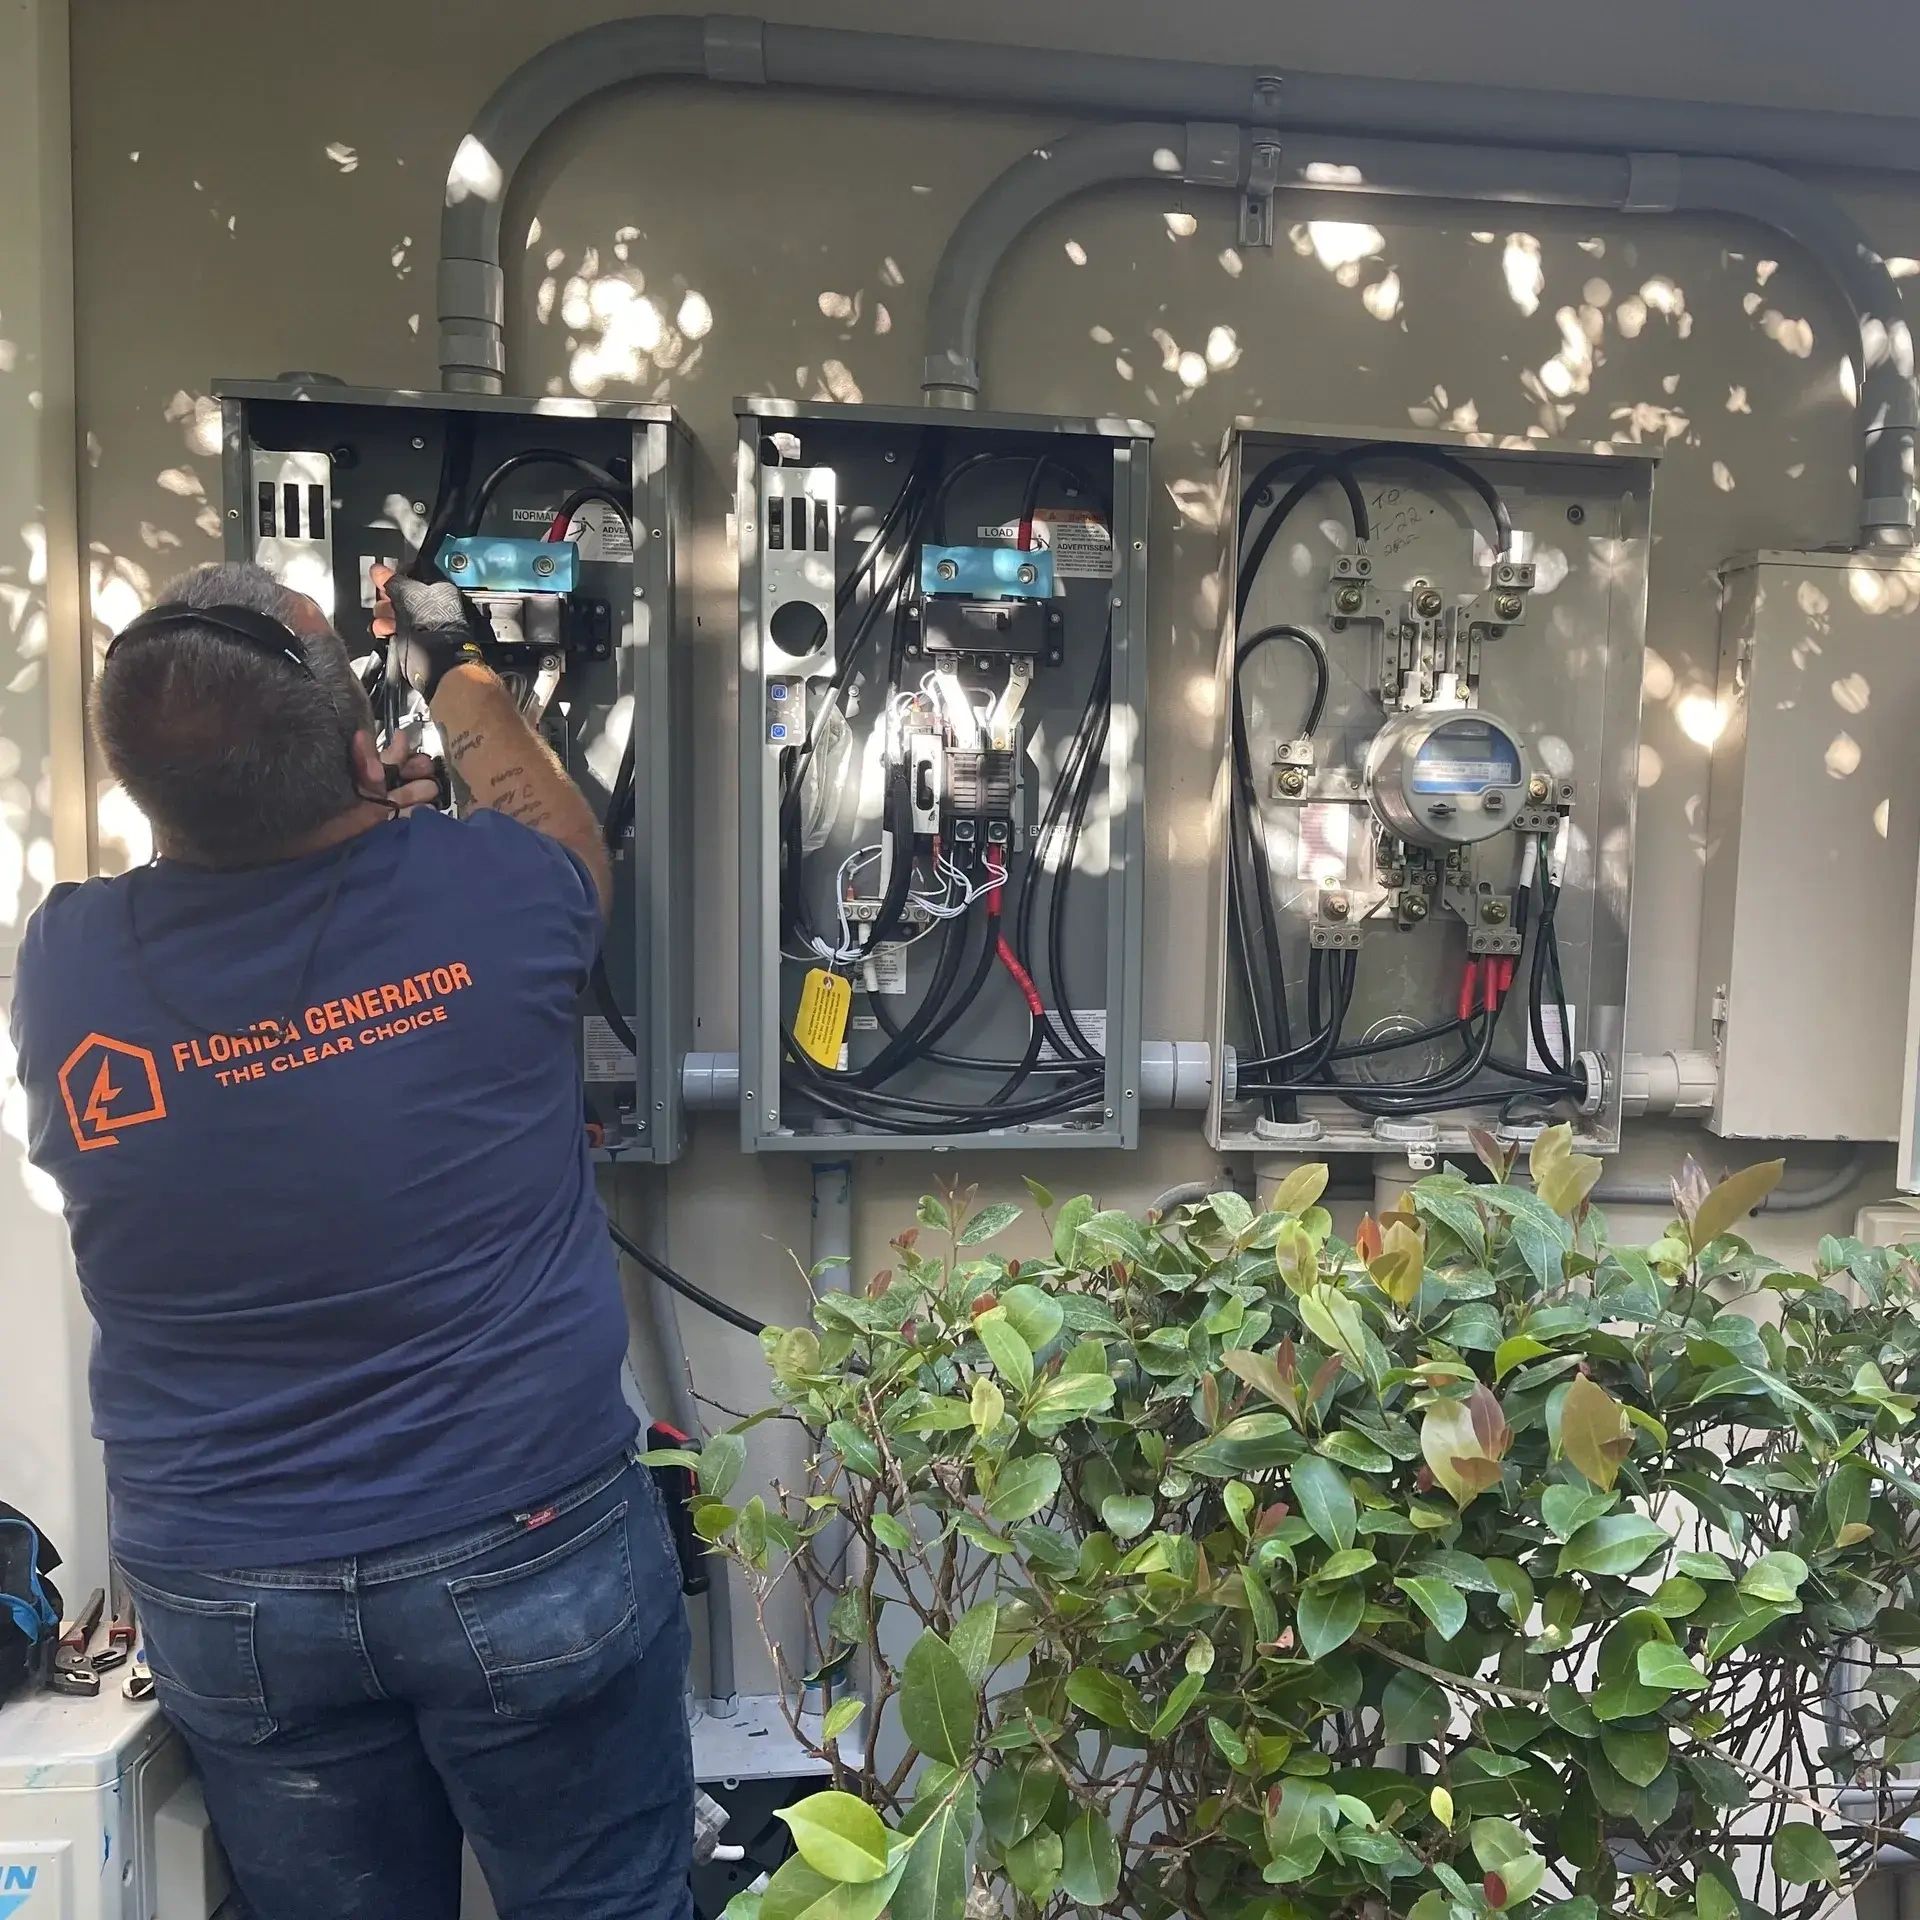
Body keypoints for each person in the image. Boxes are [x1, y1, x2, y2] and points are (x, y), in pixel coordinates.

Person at [10, 560, 692, 1920]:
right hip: (527, 1539)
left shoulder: (67, 958)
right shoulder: (491, 891)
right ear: (362, 745)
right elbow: (567, 845)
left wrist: (345, 817)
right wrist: (455, 662)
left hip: (234, 1586)